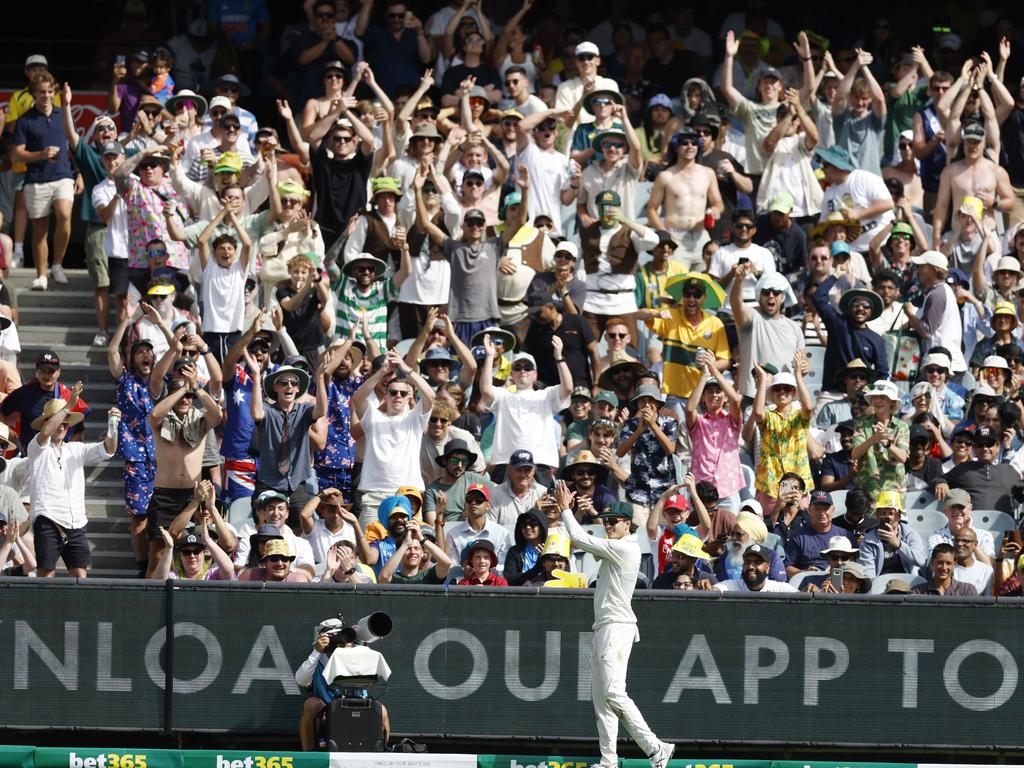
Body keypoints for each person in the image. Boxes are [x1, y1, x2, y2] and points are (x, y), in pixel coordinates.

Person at [553, 484, 675, 768]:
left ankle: (655, 746)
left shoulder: (626, 548)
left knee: (612, 693)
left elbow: (579, 539)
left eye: (613, 521)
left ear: (627, 524)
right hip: (604, 627)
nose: (607, 525)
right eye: (605, 521)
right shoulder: (614, 547)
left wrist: (565, 510)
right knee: (601, 700)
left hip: (616, 626)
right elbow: (590, 546)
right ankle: (608, 761)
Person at [29, 387, 120, 578]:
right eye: (57, 421)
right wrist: (69, 405)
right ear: (48, 422)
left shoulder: (76, 449)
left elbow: (108, 449)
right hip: (48, 520)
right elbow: (46, 431)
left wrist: (113, 424)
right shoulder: (37, 447)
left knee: (81, 576)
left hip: (76, 523)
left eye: (65, 422)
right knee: (45, 575)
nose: (61, 426)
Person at [350, 348, 435, 525]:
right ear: (386, 395)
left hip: (408, 495)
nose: (398, 396)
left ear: (408, 397)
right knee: (369, 549)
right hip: (374, 495)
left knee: (411, 550)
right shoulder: (373, 417)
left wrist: (405, 368)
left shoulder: (415, 419)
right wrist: (382, 372)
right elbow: (358, 399)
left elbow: (430, 395)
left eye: (403, 393)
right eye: (393, 392)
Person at [10, 74, 75, 291]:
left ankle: (57, 265)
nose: (46, 95)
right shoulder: (25, 120)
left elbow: (75, 143)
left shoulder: (63, 114)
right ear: (34, 93)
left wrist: (81, 173)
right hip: (36, 180)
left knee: (65, 214)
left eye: (49, 91)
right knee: (39, 230)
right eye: (41, 92)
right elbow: (16, 155)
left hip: (63, 175)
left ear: (54, 92)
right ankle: (41, 274)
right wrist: (41, 154)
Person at [644, 129, 723, 271]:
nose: (690, 146)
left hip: (701, 236)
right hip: (676, 237)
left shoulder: (708, 173)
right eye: (684, 143)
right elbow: (651, 209)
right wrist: (663, 233)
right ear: (676, 148)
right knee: (677, 282)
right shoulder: (665, 176)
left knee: (704, 282)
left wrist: (716, 211)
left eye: (694, 143)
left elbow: (718, 203)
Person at [751, 357, 815, 508]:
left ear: (793, 392)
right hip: (770, 486)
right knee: (769, 529)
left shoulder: (800, 416)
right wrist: (761, 382)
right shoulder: (768, 415)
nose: (782, 392)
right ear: (771, 393)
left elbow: (809, 408)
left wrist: (798, 375)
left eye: (787, 388)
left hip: (798, 485)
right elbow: (758, 413)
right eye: (777, 388)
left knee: (800, 527)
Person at [731, 269, 804, 399]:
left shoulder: (795, 328)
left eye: (776, 292)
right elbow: (736, 304)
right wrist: (738, 281)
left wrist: (804, 366)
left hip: (785, 399)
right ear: (759, 296)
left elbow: (802, 362)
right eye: (766, 292)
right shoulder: (752, 317)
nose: (771, 296)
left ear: (783, 297)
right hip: (753, 397)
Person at [815, 144, 894, 252]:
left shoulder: (863, 178)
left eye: (824, 166)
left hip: (883, 245)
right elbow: (823, 224)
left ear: (835, 165)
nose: (822, 170)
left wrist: (858, 214)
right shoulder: (829, 194)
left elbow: (888, 204)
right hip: (852, 252)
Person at [901, 251, 966, 374]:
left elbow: (926, 331)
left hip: (944, 367)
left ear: (934, 270)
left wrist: (909, 313)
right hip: (942, 364)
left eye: (922, 267)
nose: (918, 270)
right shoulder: (938, 291)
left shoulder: (937, 293)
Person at [850, 379, 910, 504]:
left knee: (891, 523)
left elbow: (902, 457)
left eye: (883, 397)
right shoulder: (862, 424)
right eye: (874, 397)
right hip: (868, 490)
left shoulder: (901, 426)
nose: (877, 401)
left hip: (894, 491)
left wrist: (887, 443)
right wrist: (873, 439)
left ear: (892, 402)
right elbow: (854, 454)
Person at [858, 490, 928, 577]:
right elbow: (868, 575)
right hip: (880, 586)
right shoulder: (868, 540)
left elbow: (921, 561)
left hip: (907, 585)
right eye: (883, 513)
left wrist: (898, 544)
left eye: (891, 513)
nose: (888, 517)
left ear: (899, 516)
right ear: (877, 515)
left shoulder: (910, 534)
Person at [714, 544, 799, 593]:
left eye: (757, 562)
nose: (751, 566)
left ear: (767, 568)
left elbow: (800, 597)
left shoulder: (778, 589)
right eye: (747, 562)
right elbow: (715, 590)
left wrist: (809, 591)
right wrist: (707, 588)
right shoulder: (733, 586)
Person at [911, 543, 978, 596]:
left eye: (948, 563)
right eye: (940, 563)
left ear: (954, 564)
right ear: (932, 563)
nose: (944, 567)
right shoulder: (918, 592)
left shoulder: (967, 591)